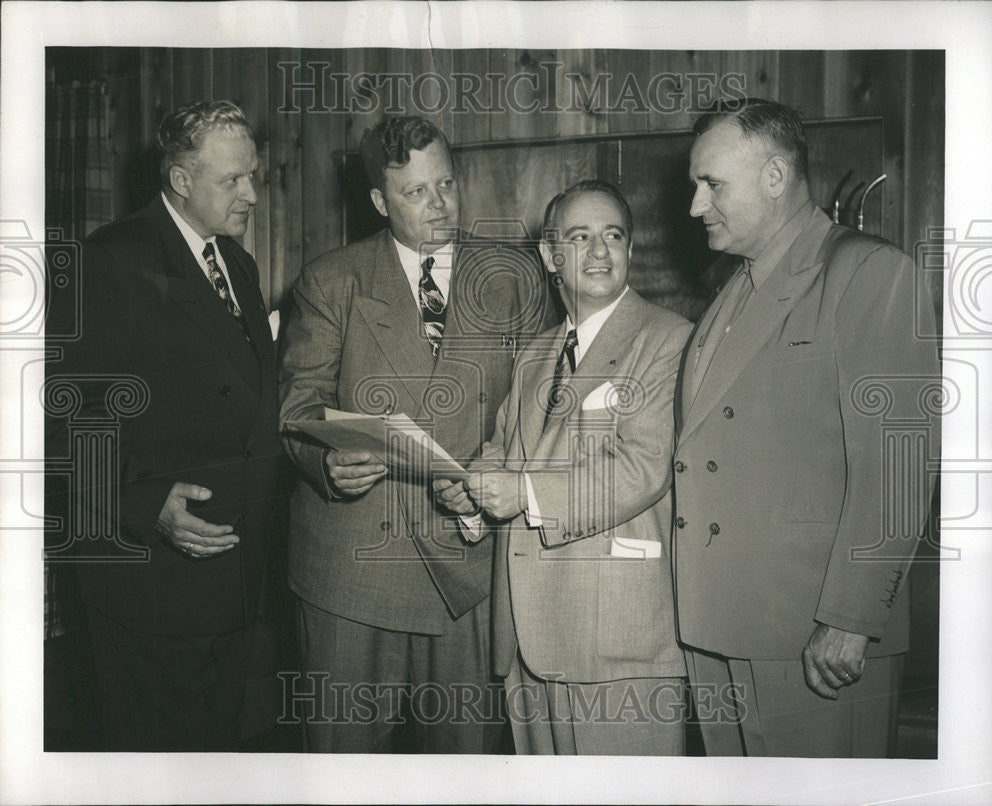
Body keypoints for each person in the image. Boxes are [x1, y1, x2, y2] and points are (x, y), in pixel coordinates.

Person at [278, 115, 553, 753]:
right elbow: (301, 405)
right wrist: (328, 463)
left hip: (471, 564)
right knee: (346, 771)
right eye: (416, 193)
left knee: (465, 768)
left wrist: (493, 468)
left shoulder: (515, 276)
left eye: (447, 185)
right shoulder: (331, 281)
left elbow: (539, 404)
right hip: (352, 570)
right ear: (379, 202)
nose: (439, 206)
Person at [674, 99, 939, 757]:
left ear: (774, 176)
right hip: (719, 624)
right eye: (694, 185)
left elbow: (899, 464)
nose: (695, 206)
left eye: (713, 185)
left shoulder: (869, 274)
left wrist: (850, 620)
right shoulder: (732, 290)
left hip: (809, 636)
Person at [45, 101, 284, 750]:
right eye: (232, 180)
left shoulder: (237, 265)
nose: (252, 194)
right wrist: (148, 507)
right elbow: (66, 426)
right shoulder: (112, 258)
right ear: (181, 181)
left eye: (254, 176)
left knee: (213, 755)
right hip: (150, 579)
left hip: (230, 579)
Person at [435, 180, 693, 755]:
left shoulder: (669, 340)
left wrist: (522, 492)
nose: (600, 252)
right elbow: (505, 450)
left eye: (613, 236)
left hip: (616, 639)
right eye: (580, 237)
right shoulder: (535, 352)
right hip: (526, 638)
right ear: (551, 256)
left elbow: (643, 468)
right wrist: (470, 491)